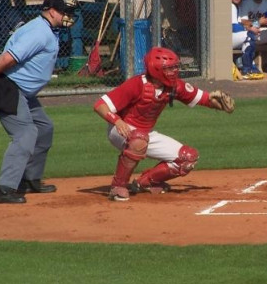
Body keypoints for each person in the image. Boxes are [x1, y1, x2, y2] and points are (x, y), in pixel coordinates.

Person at [0, 0, 79, 204]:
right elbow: (8, 58)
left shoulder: (47, 29)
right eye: (66, 11)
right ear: (52, 11)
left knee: (44, 127)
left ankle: (29, 179)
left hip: (20, 90)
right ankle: (4, 189)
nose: (69, 16)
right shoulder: (39, 32)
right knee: (25, 133)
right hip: (5, 85)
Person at [93, 47, 234, 201]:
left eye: (175, 67)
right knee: (138, 140)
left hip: (146, 133)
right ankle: (118, 186)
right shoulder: (136, 84)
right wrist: (117, 121)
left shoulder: (174, 86)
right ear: (156, 69)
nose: (174, 71)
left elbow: (203, 98)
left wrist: (218, 105)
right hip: (120, 130)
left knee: (187, 158)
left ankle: (146, 182)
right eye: (169, 68)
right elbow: (100, 105)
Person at [231, 0, 262, 79]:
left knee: (251, 36)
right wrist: (255, 25)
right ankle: (246, 68)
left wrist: (257, 24)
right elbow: (234, 27)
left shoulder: (237, 6)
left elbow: (243, 22)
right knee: (249, 35)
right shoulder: (231, 6)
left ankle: (248, 65)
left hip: (234, 37)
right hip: (228, 38)